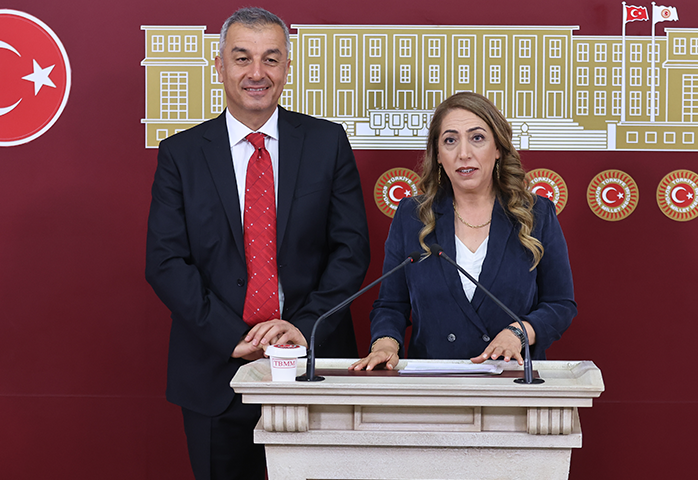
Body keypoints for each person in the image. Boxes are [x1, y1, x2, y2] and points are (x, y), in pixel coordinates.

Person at [145, 7, 369, 479]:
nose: (256, 73)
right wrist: (233, 337)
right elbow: (165, 261)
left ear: (287, 67)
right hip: (215, 368)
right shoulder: (181, 154)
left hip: (312, 362)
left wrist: (303, 328)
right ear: (219, 65)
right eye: (242, 57)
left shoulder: (327, 142)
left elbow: (350, 251)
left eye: (271, 58)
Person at [351, 92, 575, 371]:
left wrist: (519, 332)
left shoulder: (536, 213)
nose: (464, 153)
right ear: (438, 155)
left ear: (497, 148)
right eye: (450, 140)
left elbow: (560, 304)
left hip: (511, 378)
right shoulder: (412, 215)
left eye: (477, 138)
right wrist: (385, 344)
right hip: (435, 382)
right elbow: (391, 305)